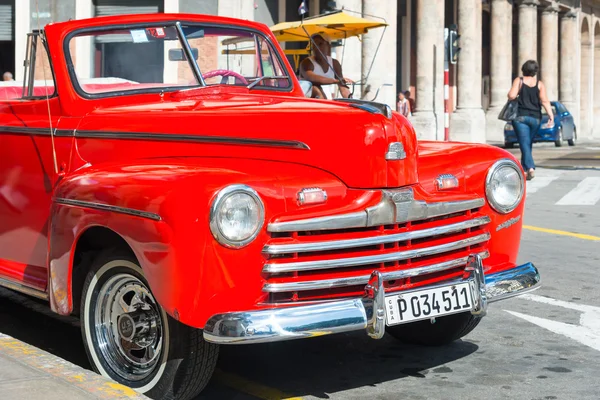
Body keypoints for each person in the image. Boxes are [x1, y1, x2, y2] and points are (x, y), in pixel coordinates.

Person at [507, 60, 553, 181]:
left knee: (524, 143)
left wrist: (514, 94)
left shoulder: (519, 80)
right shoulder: (540, 84)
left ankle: (531, 167)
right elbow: (544, 101)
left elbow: (511, 95)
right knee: (527, 143)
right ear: (535, 71)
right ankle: (524, 169)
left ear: (523, 69)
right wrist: (550, 115)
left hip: (521, 117)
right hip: (536, 118)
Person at [299, 33, 352, 99]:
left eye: (320, 44)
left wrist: (351, 99)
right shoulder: (306, 63)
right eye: (314, 44)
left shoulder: (335, 63)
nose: (316, 47)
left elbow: (343, 87)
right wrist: (336, 81)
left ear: (328, 46)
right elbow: (313, 78)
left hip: (324, 96)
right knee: (317, 89)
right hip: (304, 96)